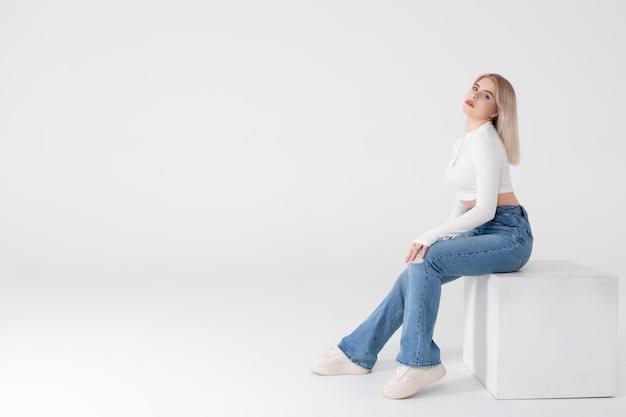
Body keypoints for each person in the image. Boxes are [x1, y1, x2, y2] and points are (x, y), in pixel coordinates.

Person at [310, 73, 533, 399]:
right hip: (480, 229)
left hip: (508, 235)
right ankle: (357, 353)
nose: (474, 95)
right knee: (415, 269)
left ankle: (420, 362)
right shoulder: (464, 141)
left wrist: (430, 236)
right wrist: (438, 238)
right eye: (475, 88)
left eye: (486, 95)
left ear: (496, 111)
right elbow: (464, 199)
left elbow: (485, 209)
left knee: (426, 257)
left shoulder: (487, 142)